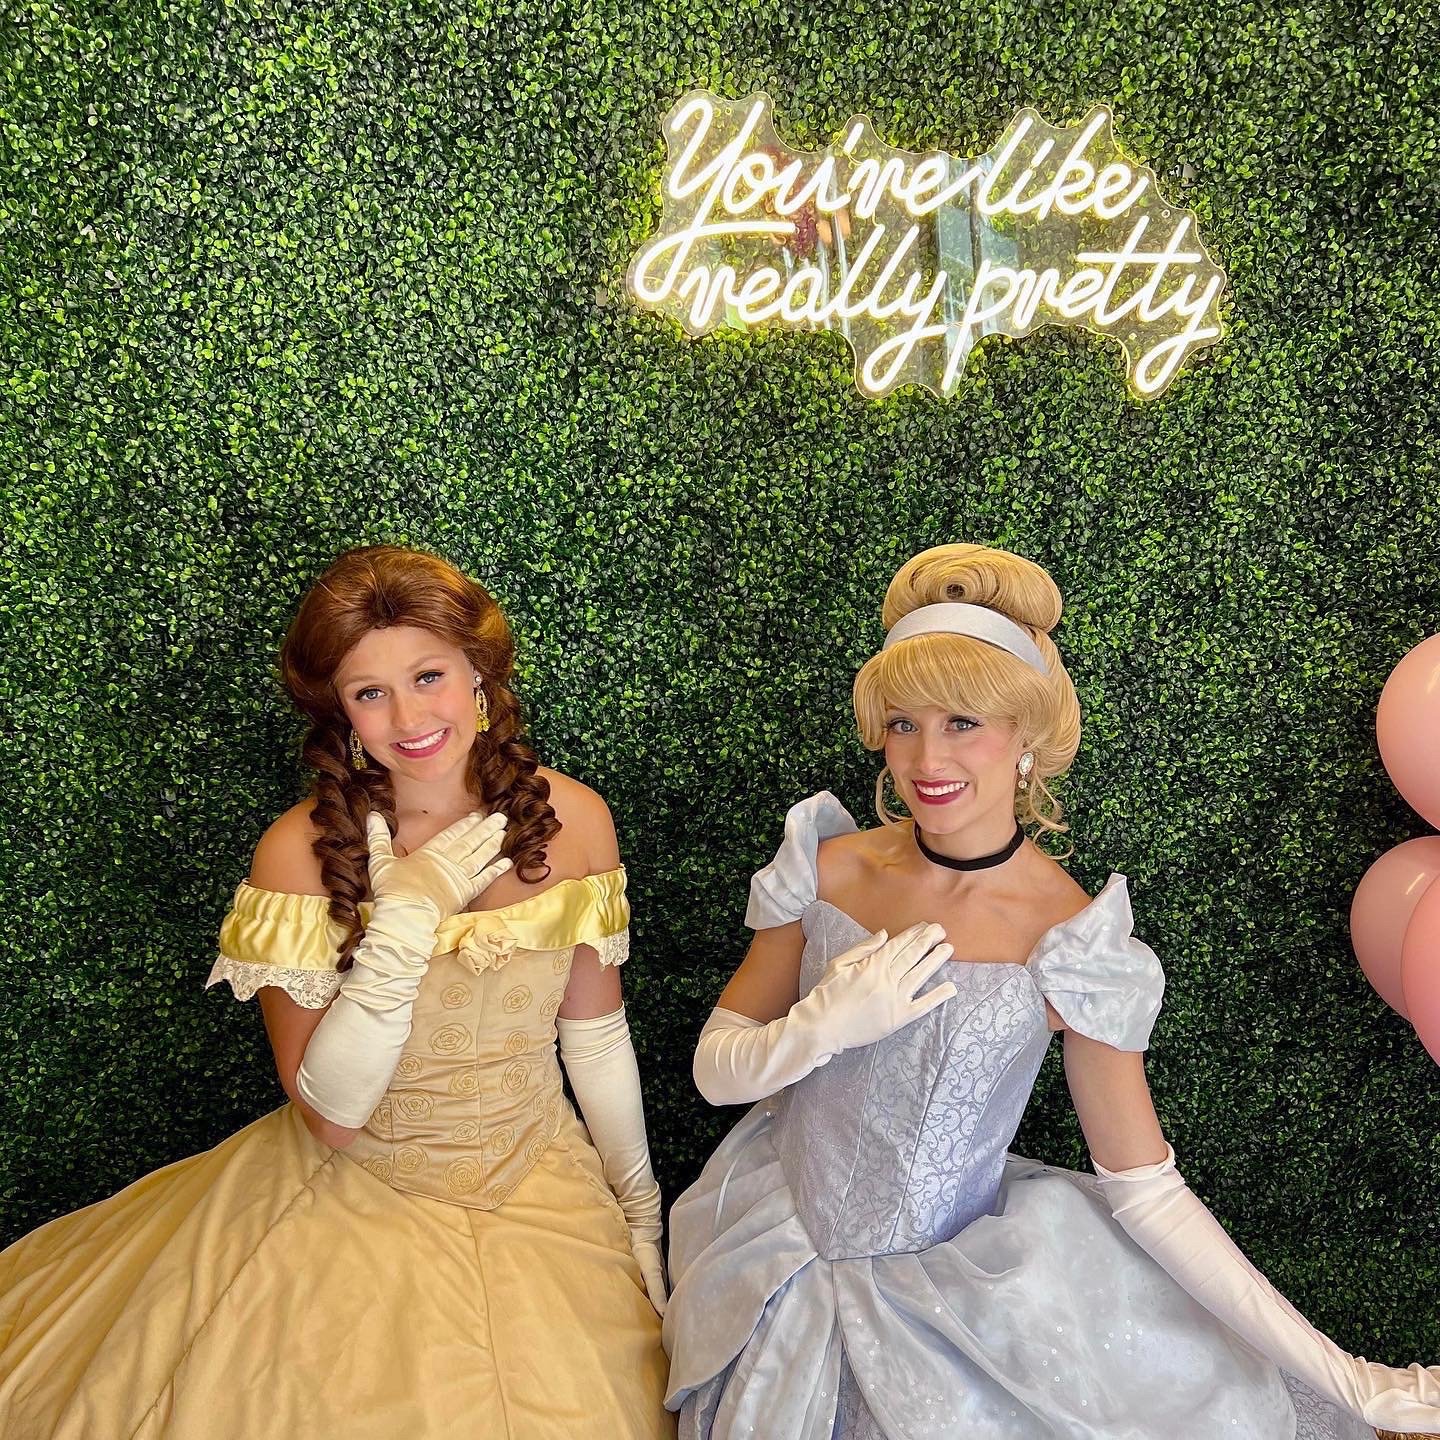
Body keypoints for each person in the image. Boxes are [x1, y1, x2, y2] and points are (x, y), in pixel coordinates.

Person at [662, 543, 1440, 1439]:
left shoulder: (1069, 942)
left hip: (945, 1304)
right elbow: (716, 1072)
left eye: (964, 722)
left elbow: (1146, 1188)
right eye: (905, 723)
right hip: (773, 1255)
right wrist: (819, 1027)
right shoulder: (827, 867)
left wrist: (1351, 1379)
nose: (927, 757)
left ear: (1025, 739)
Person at [0, 544, 675, 1440]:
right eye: (370, 692)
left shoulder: (576, 819)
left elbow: (594, 1034)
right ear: (341, 712)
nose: (410, 717)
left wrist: (640, 1214)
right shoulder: (295, 856)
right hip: (360, 1191)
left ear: (478, 674)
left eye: (429, 676)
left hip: (544, 1183)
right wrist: (405, 926)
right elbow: (334, 1117)